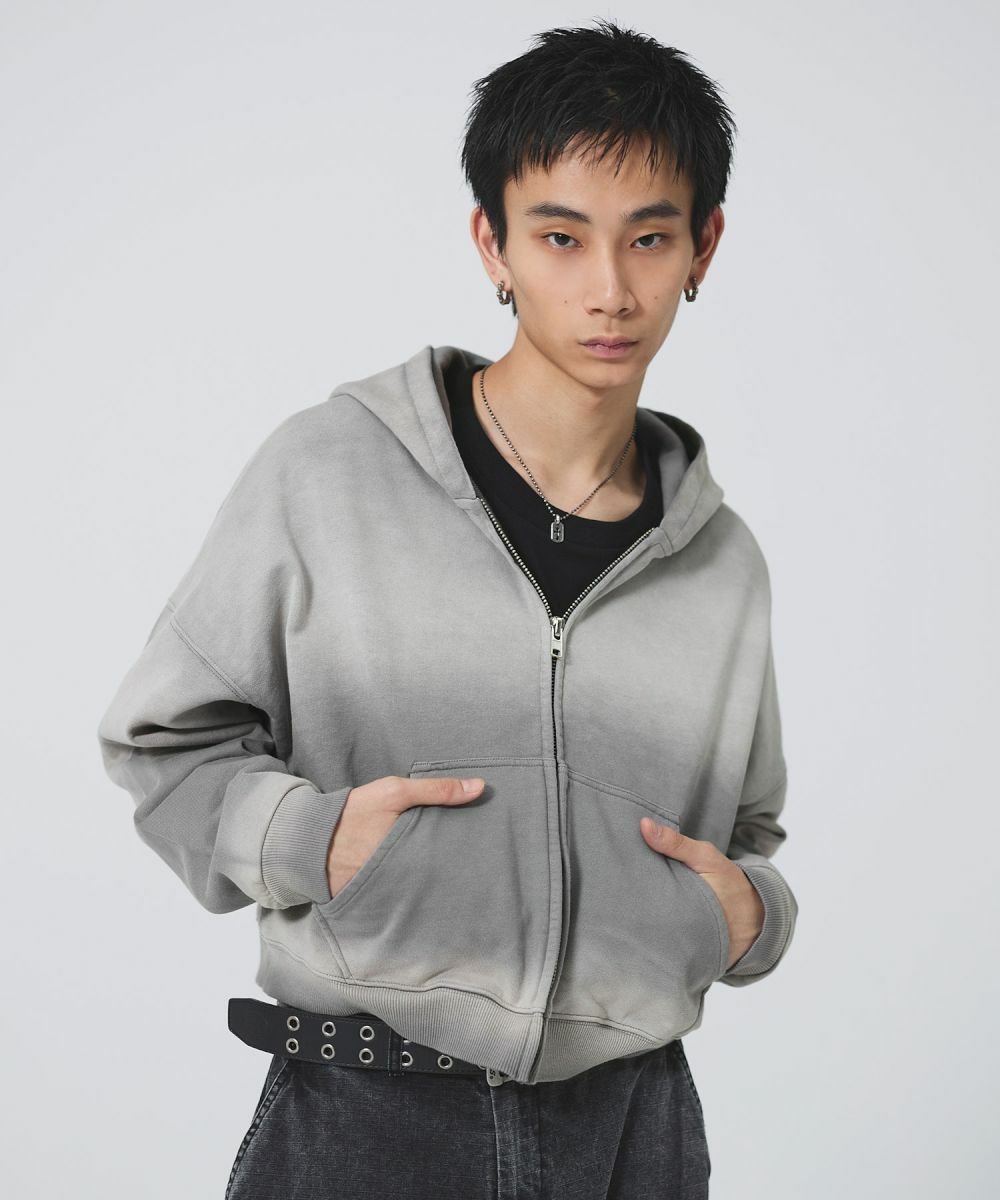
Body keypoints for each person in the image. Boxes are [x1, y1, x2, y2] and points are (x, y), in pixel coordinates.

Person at [97, 17, 798, 1199]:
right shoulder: (330, 475)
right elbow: (164, 740)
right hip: (369, 1116)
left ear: (703, 246)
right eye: (561, 237)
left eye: (649, 237)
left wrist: (748, 916)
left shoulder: (720, 562)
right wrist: (315, 841)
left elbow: (747, 831)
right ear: (493, 243)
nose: (609, 289)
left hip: (634, 1128)